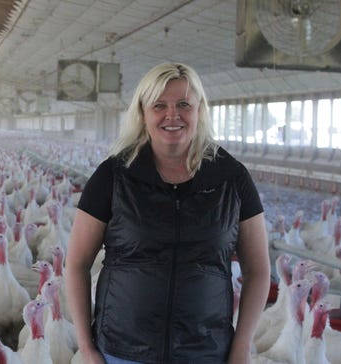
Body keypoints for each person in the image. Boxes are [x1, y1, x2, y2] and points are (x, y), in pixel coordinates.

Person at [65, 62, 270, 364]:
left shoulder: (232, 178)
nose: (172, 115)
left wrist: (240, 348)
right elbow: (76, 264)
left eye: (184, 104)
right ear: (143, 113)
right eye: (159, 105)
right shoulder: (114, 176)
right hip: (123, 351)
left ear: (199, 110)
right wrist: (87, 348)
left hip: (205, 352)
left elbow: (259, 271)